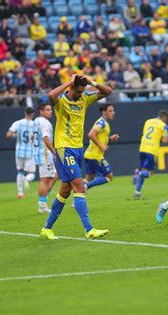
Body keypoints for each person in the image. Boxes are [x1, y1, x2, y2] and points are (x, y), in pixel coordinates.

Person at [40, 74, 112, 240]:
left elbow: (108, 91)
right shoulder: (61, 102)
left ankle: (47, 228)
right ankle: (89, 229)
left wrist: (92, 82)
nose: (80, 94)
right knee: (79, 187)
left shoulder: (84, 98)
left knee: (65, 191)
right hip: (64, 148)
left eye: (82, 91)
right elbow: (50, 95)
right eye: (78, 91)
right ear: (71, 87)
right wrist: (68, 82)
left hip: (78, 149)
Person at [133, 110, 168, 199]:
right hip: (151, 150)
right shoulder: (163, 125)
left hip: (142, 148)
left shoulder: (148, 121)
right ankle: (138, 173)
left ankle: (137, 192)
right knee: (150, 172)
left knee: (144, 170)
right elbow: (165, 140)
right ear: (164, 117)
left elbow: (144, 133)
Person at [83, 103, 119, 192]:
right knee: (109, 176)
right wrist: (101, 146)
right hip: (96, 156)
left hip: (89, 155)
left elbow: (99, 137)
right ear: (104, 112)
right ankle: (85, 187)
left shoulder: (103, 122)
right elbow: (91, 134)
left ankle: (77, 200)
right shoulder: (102, 123)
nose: (113, 113)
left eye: (113, 110)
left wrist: (110, 139)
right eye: (110, 111)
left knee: (89, 178)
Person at [6, 107, 37, 199]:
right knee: (31, 173)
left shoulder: (18, 123)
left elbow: (8, 135)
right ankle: (26, 179)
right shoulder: (34, 124)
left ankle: (20, 193)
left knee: (20, 171)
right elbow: (36, 138)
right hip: (30, 152)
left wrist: (16, 135)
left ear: (25, 113)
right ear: (32, 114)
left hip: (19, 151)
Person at [33, 104, 58, 213]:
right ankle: (42, 206)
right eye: (48, 110)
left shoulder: (36, 121)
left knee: (55, 176)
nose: (50, 111)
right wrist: (54, 152)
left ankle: (43, 201)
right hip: (44, 153)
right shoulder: (44, 122)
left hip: (39, 152)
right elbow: (46, 138)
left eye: (50, 109)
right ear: (41, 111)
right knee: (45, 179)